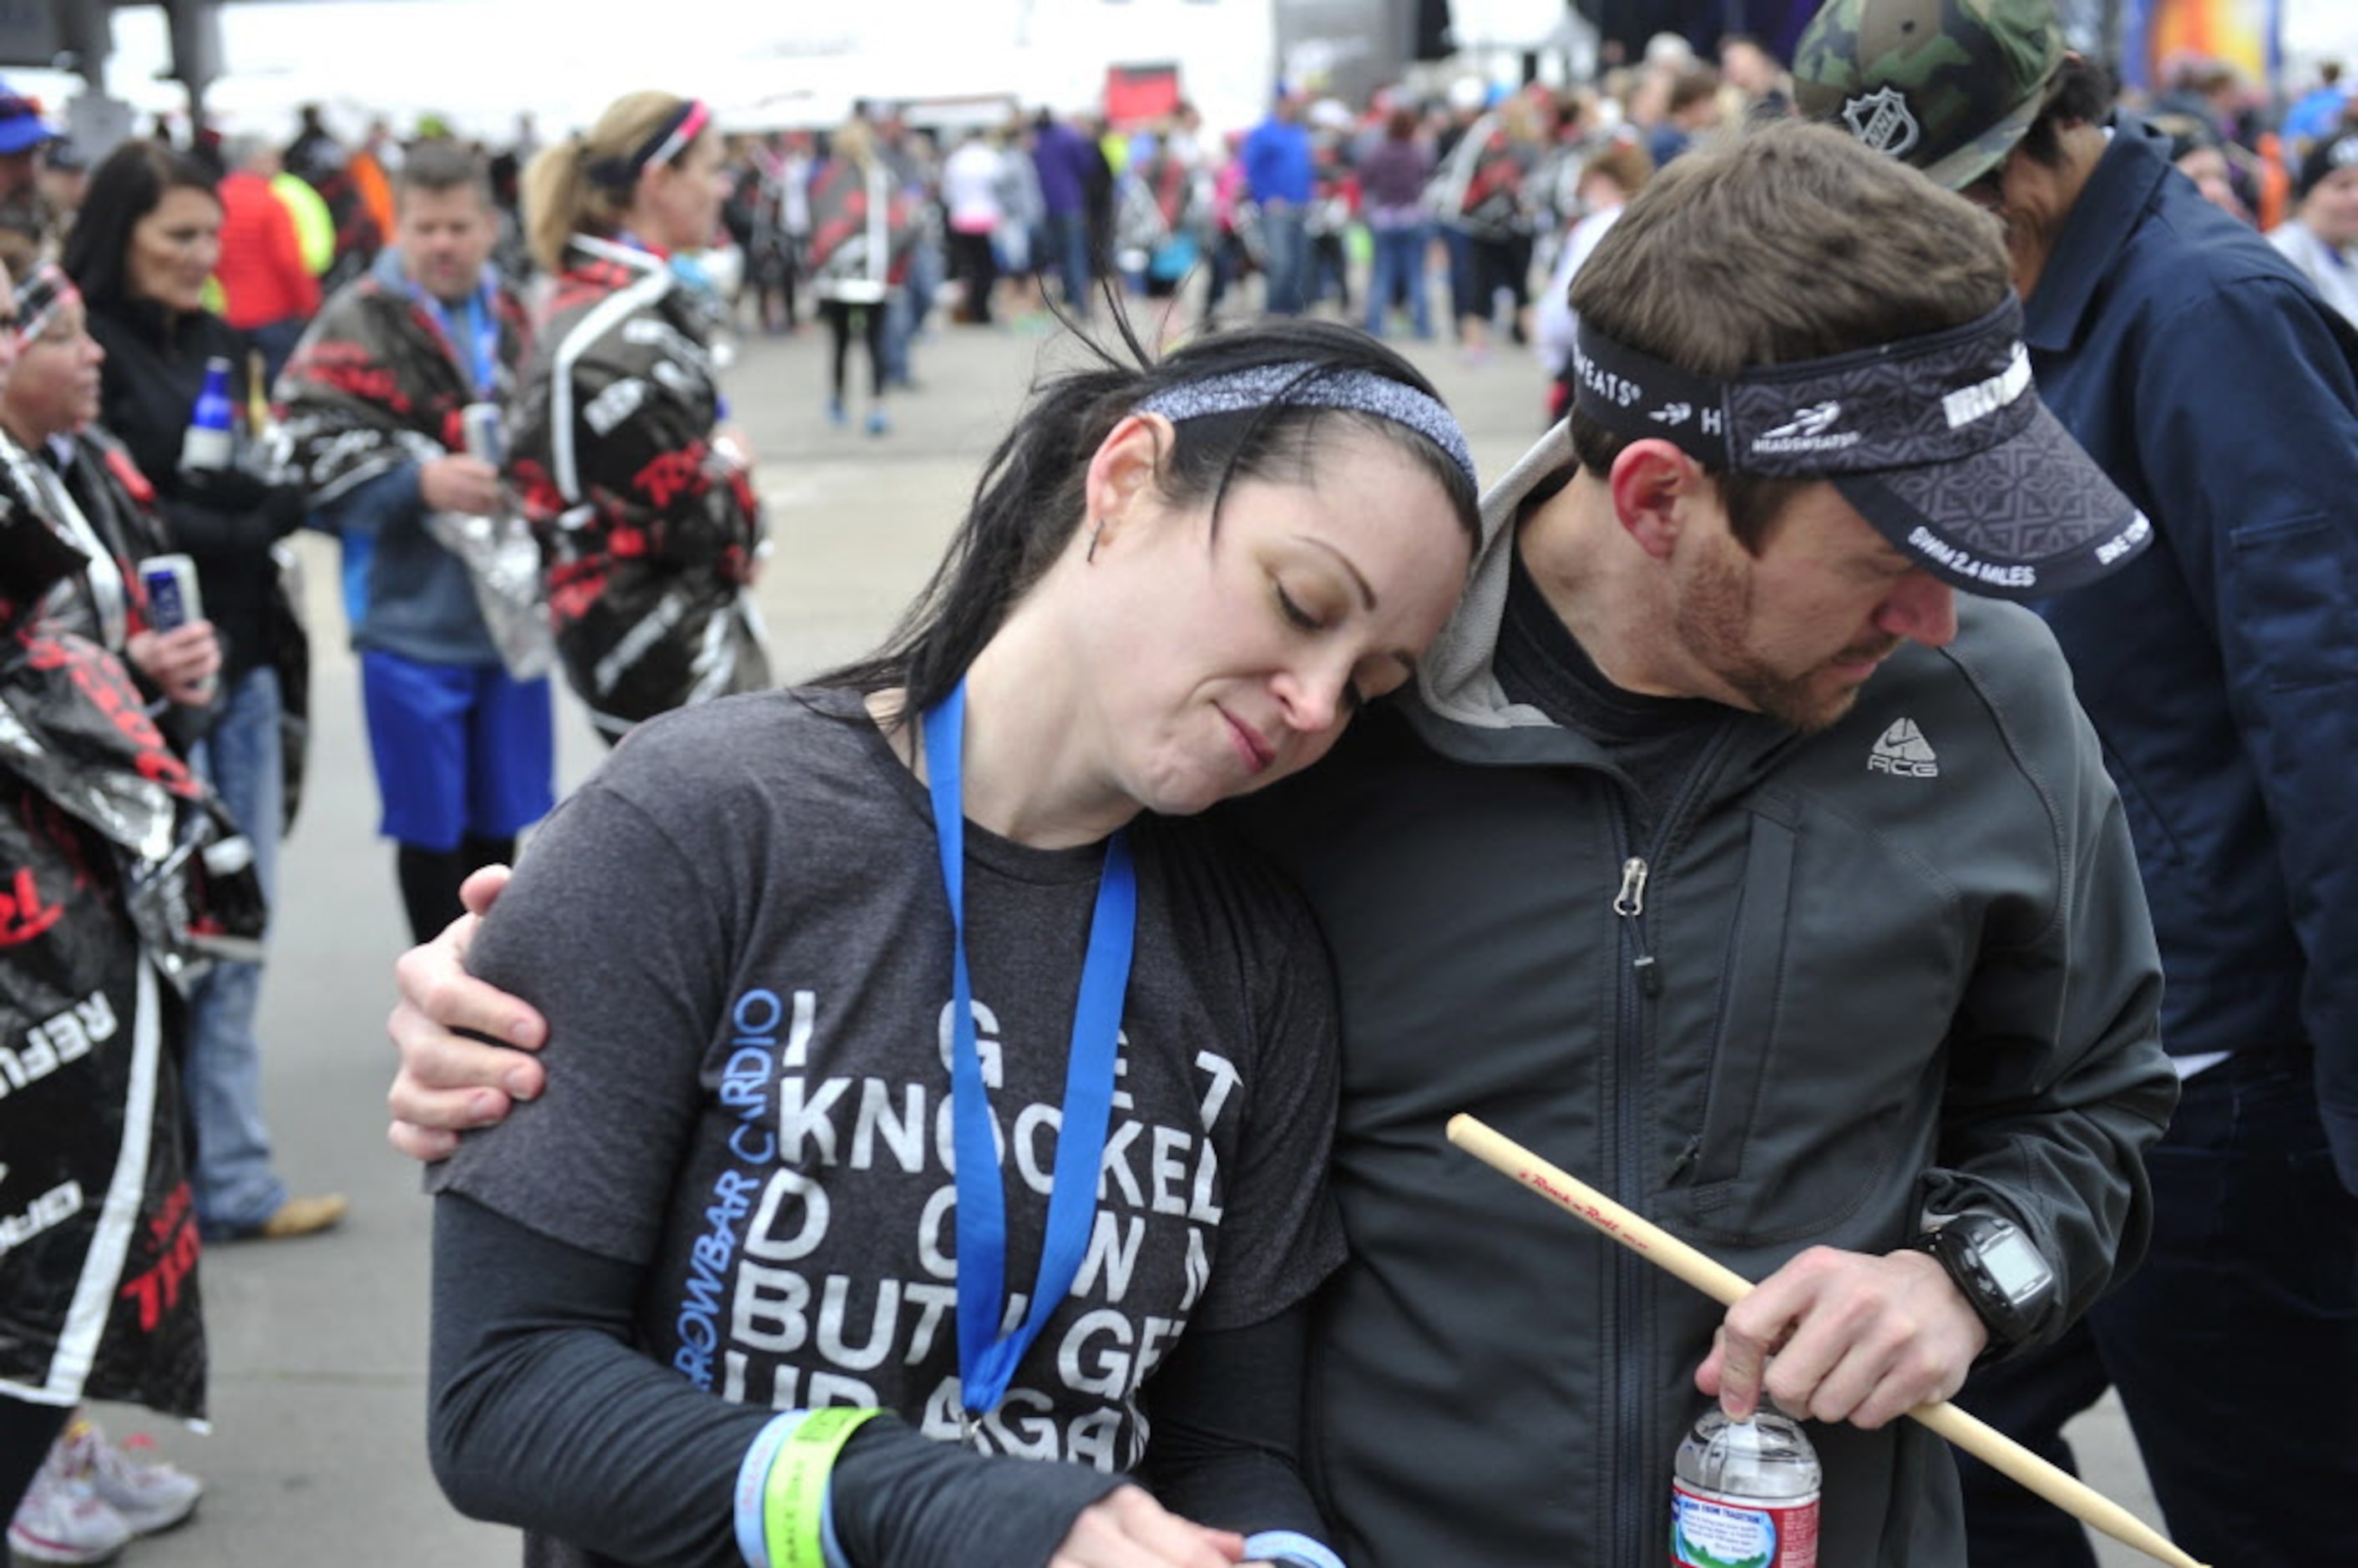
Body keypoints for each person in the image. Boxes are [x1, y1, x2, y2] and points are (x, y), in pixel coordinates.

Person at [388, 124, 2174, 1568]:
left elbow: (2095, 1102)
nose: (1943, 618)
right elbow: (935, 861)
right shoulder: (1299, 756)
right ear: (1659, 504)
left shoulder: (1984, 705)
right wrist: (516, 978)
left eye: (1361, 659)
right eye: (1886, 562)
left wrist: (1963, 1275)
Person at [407, 319, 1480, 1568]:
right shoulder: (706, 820)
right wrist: (931, 1505)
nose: (1313, 700)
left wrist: (1280, 1557)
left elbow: (1226, 1446)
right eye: (1302, 604)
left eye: (1367, 684)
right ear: (1126, 482)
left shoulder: (1257, 959)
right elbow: (503, 1394)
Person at [1795, 5, 2358, 1565]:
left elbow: (2325, 712)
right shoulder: (2012, 309)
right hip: (2052, 1057)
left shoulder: (2204, 315)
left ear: (2051, 124)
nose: (1950, 234)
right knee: (1938, 1456)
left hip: (2224, 1075)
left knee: (2274, 1504)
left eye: (1969, 190)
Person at [0, 255, 251, 1568]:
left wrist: (136, 676)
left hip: (77, 886)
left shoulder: (58, 463)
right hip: (29, 933)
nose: (77, 351)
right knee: (48, 1188)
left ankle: (56, 1431)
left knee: (83, 1193)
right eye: (34, 327)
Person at [63, 139, 346, 1245]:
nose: (199, 257)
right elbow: (142, 517)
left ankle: (219, 1173)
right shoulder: (88, 347)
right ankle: (191, 1180)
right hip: (144, 694)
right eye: (176, 236)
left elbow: (270, 490)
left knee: (236, 937)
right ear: (120, 232)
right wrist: (239, 512)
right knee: (163, 948)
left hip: (248, 668)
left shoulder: (221, 339)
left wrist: (237, 509)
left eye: (209, 238)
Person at [274, 140, 553, 944]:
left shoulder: (512, 313)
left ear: (489, 225)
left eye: (458, 227)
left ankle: (489, 979)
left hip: (510, 623)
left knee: (500, 829)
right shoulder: (356, 320)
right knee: (431, 833)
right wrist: (416, 482)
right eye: (424, 227)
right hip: (407, 626)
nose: (442, 244)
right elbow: (297, 452)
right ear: (399, 225)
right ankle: (436, 991)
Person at [511, 90, 769, 746]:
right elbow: (675, 509)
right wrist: (734, 468)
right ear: (659, 181)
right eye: (711, 170)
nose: (722, 189)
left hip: (673, 634)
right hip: (652, 650)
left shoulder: (636, 297)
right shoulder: (609, 327)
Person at [807, 118, 917, 436]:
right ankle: (878, 407)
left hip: (836, 279)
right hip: (876, 279)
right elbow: (903, 225)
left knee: (840, 343)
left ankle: (839, 402)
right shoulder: (883, 178)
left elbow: (815, 227)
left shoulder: (827, 179)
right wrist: (893, 267)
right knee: (875, 343)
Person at [212, 135, 321, 385]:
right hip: (275, 314)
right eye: (272, 159)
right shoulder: (271, 203)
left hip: (230, 313)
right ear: (255, 161)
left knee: (234, 392)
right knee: (282, 390)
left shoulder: (217, 200)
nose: (278, 166)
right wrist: (309, 305)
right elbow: (290, 262)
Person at [1356, 105, 1435, 341]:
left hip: (1384, 219)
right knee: (1416, 275)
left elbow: (1364, 178)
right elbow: (1428, 174)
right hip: (1412, 217)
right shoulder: (1418, 152)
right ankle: (1423, 328)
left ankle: (1375, 325)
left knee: (1381, 275)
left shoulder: (1379, 152)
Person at [2269, 129, 2358, 325]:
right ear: (2308, 194)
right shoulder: (2282, 256)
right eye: (2342, 186)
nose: (2356, 198)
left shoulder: (2347, 247)